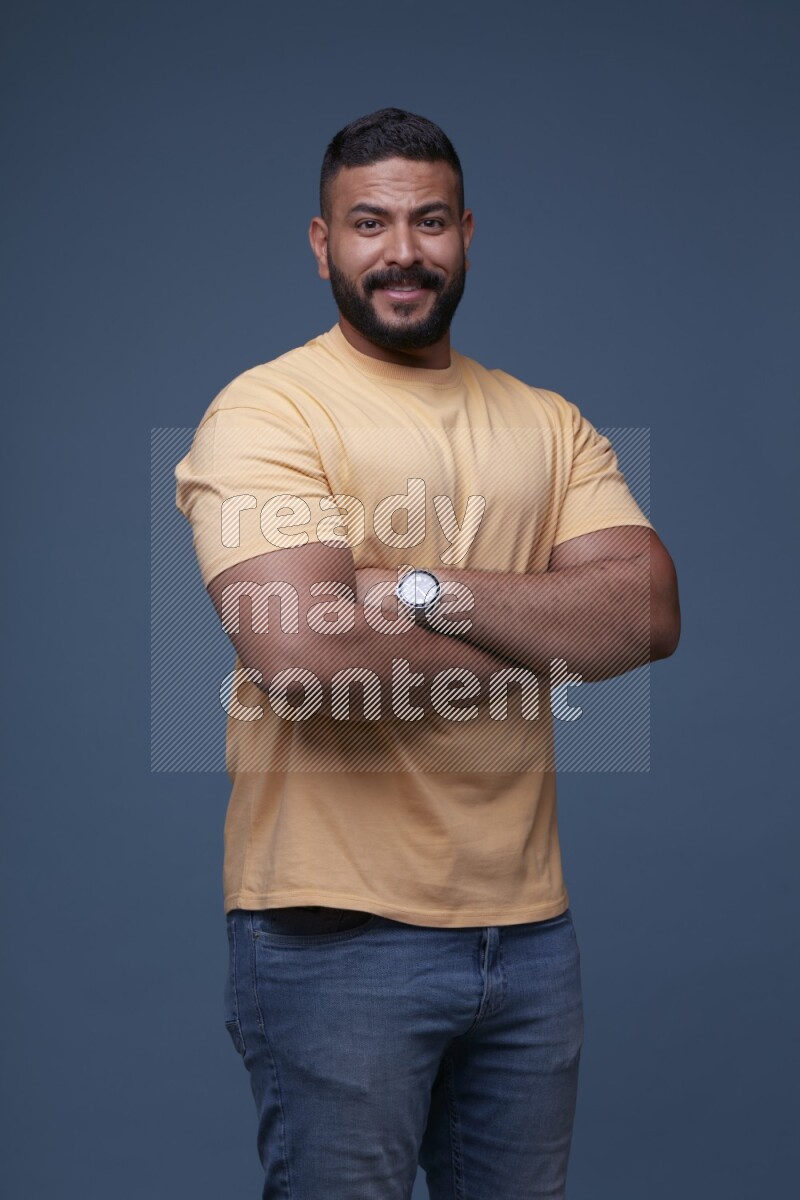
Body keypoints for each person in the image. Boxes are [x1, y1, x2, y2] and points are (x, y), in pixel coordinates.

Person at [174, 106, 680, 1200]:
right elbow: (303, 661)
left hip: (528, 934)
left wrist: (415, 592)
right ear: (323, 243)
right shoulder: (268, 411)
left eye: (429, 221)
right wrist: (548, 630)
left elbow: (645, 616)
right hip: (333, 938)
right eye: (369, 223)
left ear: (466, 234)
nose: (402, 251)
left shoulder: (547, 422)